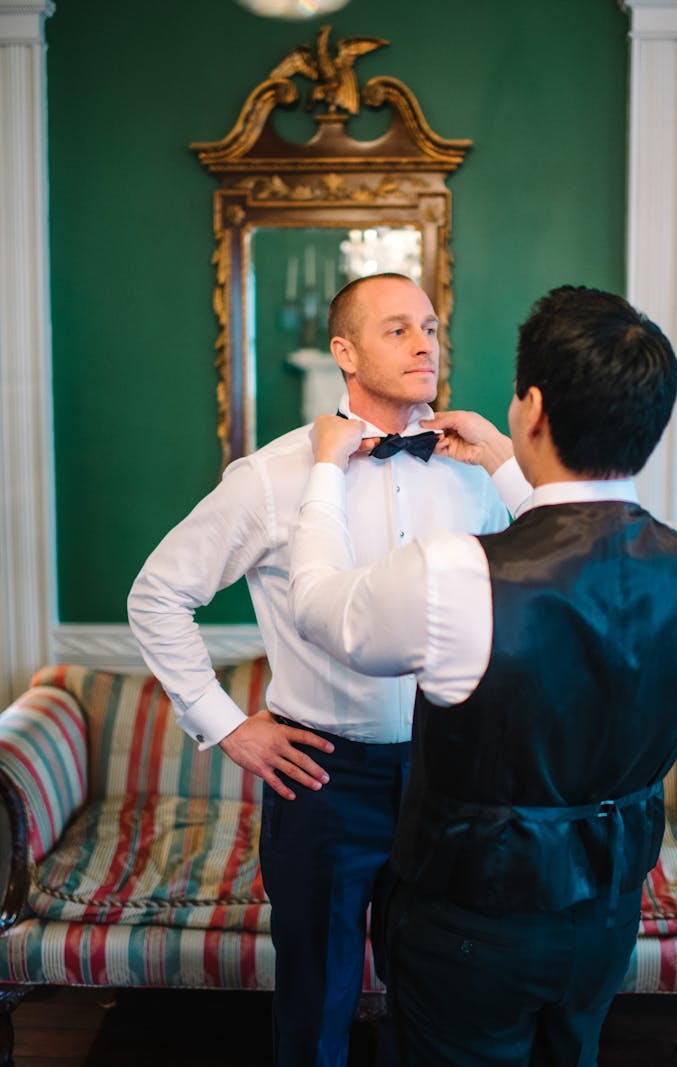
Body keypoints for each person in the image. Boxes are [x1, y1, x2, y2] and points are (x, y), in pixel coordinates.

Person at [288, 285, 677, 1067]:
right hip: (609, 916)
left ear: (531, 408)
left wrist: (323, 472)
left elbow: (321, 609)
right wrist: (502, 459)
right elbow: (575, 529)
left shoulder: (455, 570)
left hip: (470, 930)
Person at [127, 272, 530, 1067]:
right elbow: (157, 594)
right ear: (343, 351)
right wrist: (226, 723)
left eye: (430, 326)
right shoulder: (271, 478)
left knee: (449, 1003)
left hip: (449, 776)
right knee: (316, 1006)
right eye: (396, 329)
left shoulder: (473, 469)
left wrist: (509, 466)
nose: (424, 342)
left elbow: (563, 560)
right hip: (321, 780)